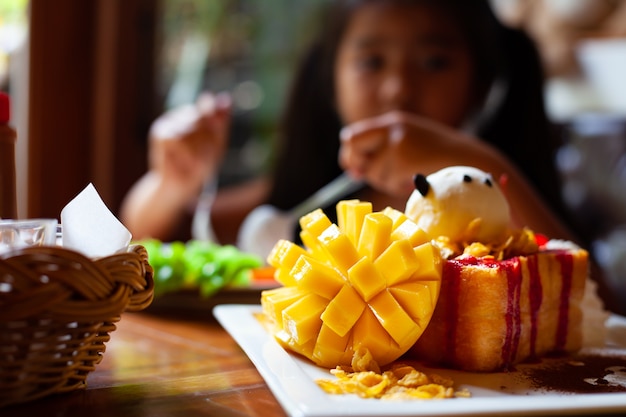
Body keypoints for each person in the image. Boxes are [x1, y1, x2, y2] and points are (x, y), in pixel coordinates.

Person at [121, 0, 577, 255]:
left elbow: (596, 303)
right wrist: (171, 182)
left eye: (434, 62)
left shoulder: (509, 216)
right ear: (331, 84)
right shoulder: (306, 206)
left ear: (479, 87)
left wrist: (476, 163)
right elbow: (152, 238)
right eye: (371, 62)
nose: (398, 89)